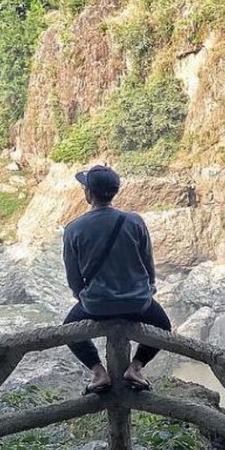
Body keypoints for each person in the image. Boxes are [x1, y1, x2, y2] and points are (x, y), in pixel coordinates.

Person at [62, 165, 171, 394]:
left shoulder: (74, 229)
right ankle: (135, 367)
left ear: (89, 193)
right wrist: (148, 289)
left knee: (69, 330)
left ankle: (99, 373)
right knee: (164, 326)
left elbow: (74, 279)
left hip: (96, 305)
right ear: (114, 192)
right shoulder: (135, 221)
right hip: (137, 303)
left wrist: (85, 297)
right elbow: (148, 265)